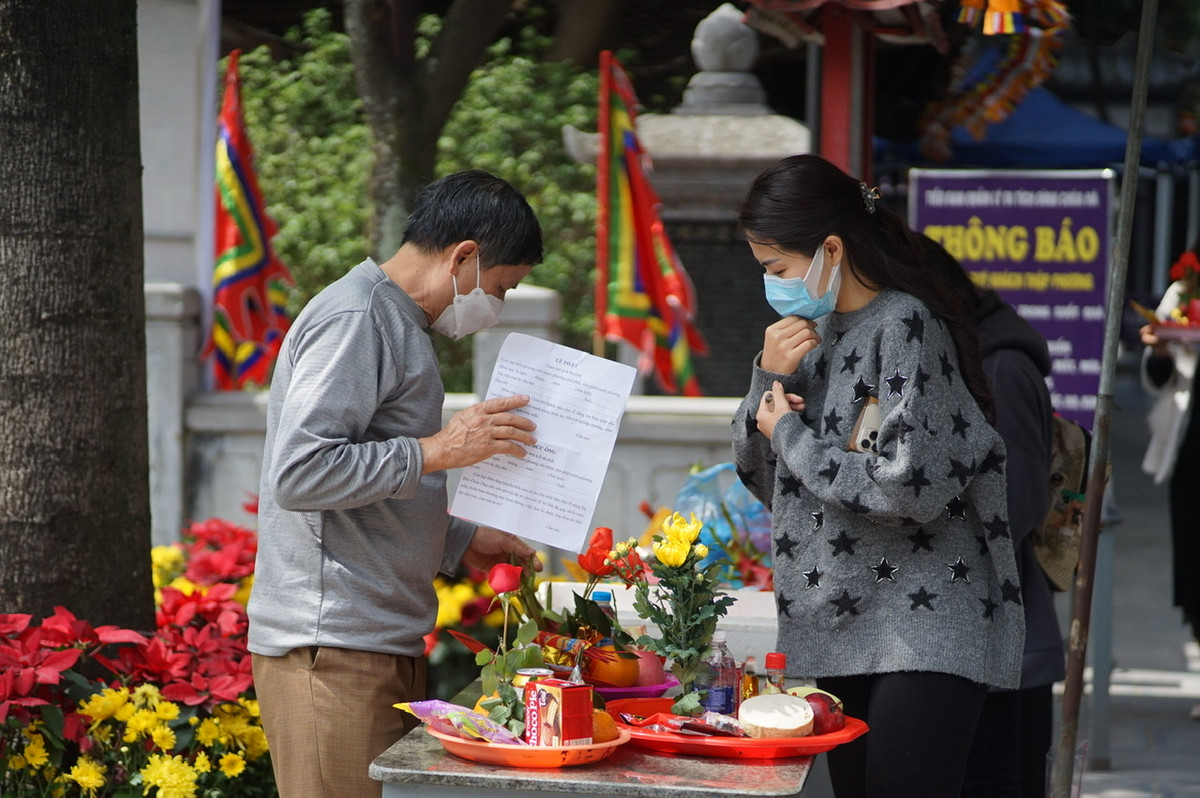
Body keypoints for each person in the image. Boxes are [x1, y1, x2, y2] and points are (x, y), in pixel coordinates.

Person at [731, 154, 1024, 797]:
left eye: (777, 269)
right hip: (841, 618)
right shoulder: (809, 336)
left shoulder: (906, 324)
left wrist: (788, 433)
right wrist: (766, 377)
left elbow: (907, 485)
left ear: (831, 249)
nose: (772, 285)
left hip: (927, 622)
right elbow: (764, 479)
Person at [247, 170, 545, 797]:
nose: (496, 304)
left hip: (375, 641)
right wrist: (439, 449)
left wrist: (457, 540)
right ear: (463, 256)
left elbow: (367, 478)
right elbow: (300, 473)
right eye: (500, 286)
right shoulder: (357, 317)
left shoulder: (399, 321)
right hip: (332, 647)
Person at [919, 239, 1064, 797]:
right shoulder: (968, 361)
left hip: (1005, 649)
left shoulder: (1000, 369)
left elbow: (1015, 502)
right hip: (972, 641)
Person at [1139, 235, 1200, 721]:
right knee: (1195, 556)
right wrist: (1160, 349)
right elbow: (1158, 377)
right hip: (1193, 445)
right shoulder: (1184, 291)